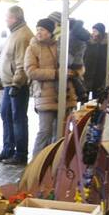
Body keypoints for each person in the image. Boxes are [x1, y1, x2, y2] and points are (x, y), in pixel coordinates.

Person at [26, 17, 79, 158]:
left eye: (42, 30)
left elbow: (78, 65)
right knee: (44, 131)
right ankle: (35, 167)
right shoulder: (32, 48)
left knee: (61, 133)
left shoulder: (61, 46)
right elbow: (31, 71)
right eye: (37, 29)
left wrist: (74, 72)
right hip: (45, 96)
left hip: (64, 95)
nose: (38, 32)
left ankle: (56, 164)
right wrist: (56, 74)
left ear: (50, 32)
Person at [0, 5, 33, 166]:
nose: (5, 19)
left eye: (7, 17)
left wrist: (17, 83)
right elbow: (9, 58)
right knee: (7, 116)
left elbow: (22, 62)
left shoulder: (22, 36)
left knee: (18, 118)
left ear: (15, 18)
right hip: (9, 83)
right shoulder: (15, 33)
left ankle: (20, 153)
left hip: (17, 85)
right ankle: (8, 149)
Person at [84, 23, 109, 99]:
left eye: (95, 31)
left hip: (100, 79)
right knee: (84, 104)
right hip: (87, 78)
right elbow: (83, 59)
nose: (93, 33)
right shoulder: (88, 44)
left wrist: (107, 80)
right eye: (92, 31)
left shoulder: (107, 46)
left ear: (101, 32)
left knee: (97, 104)